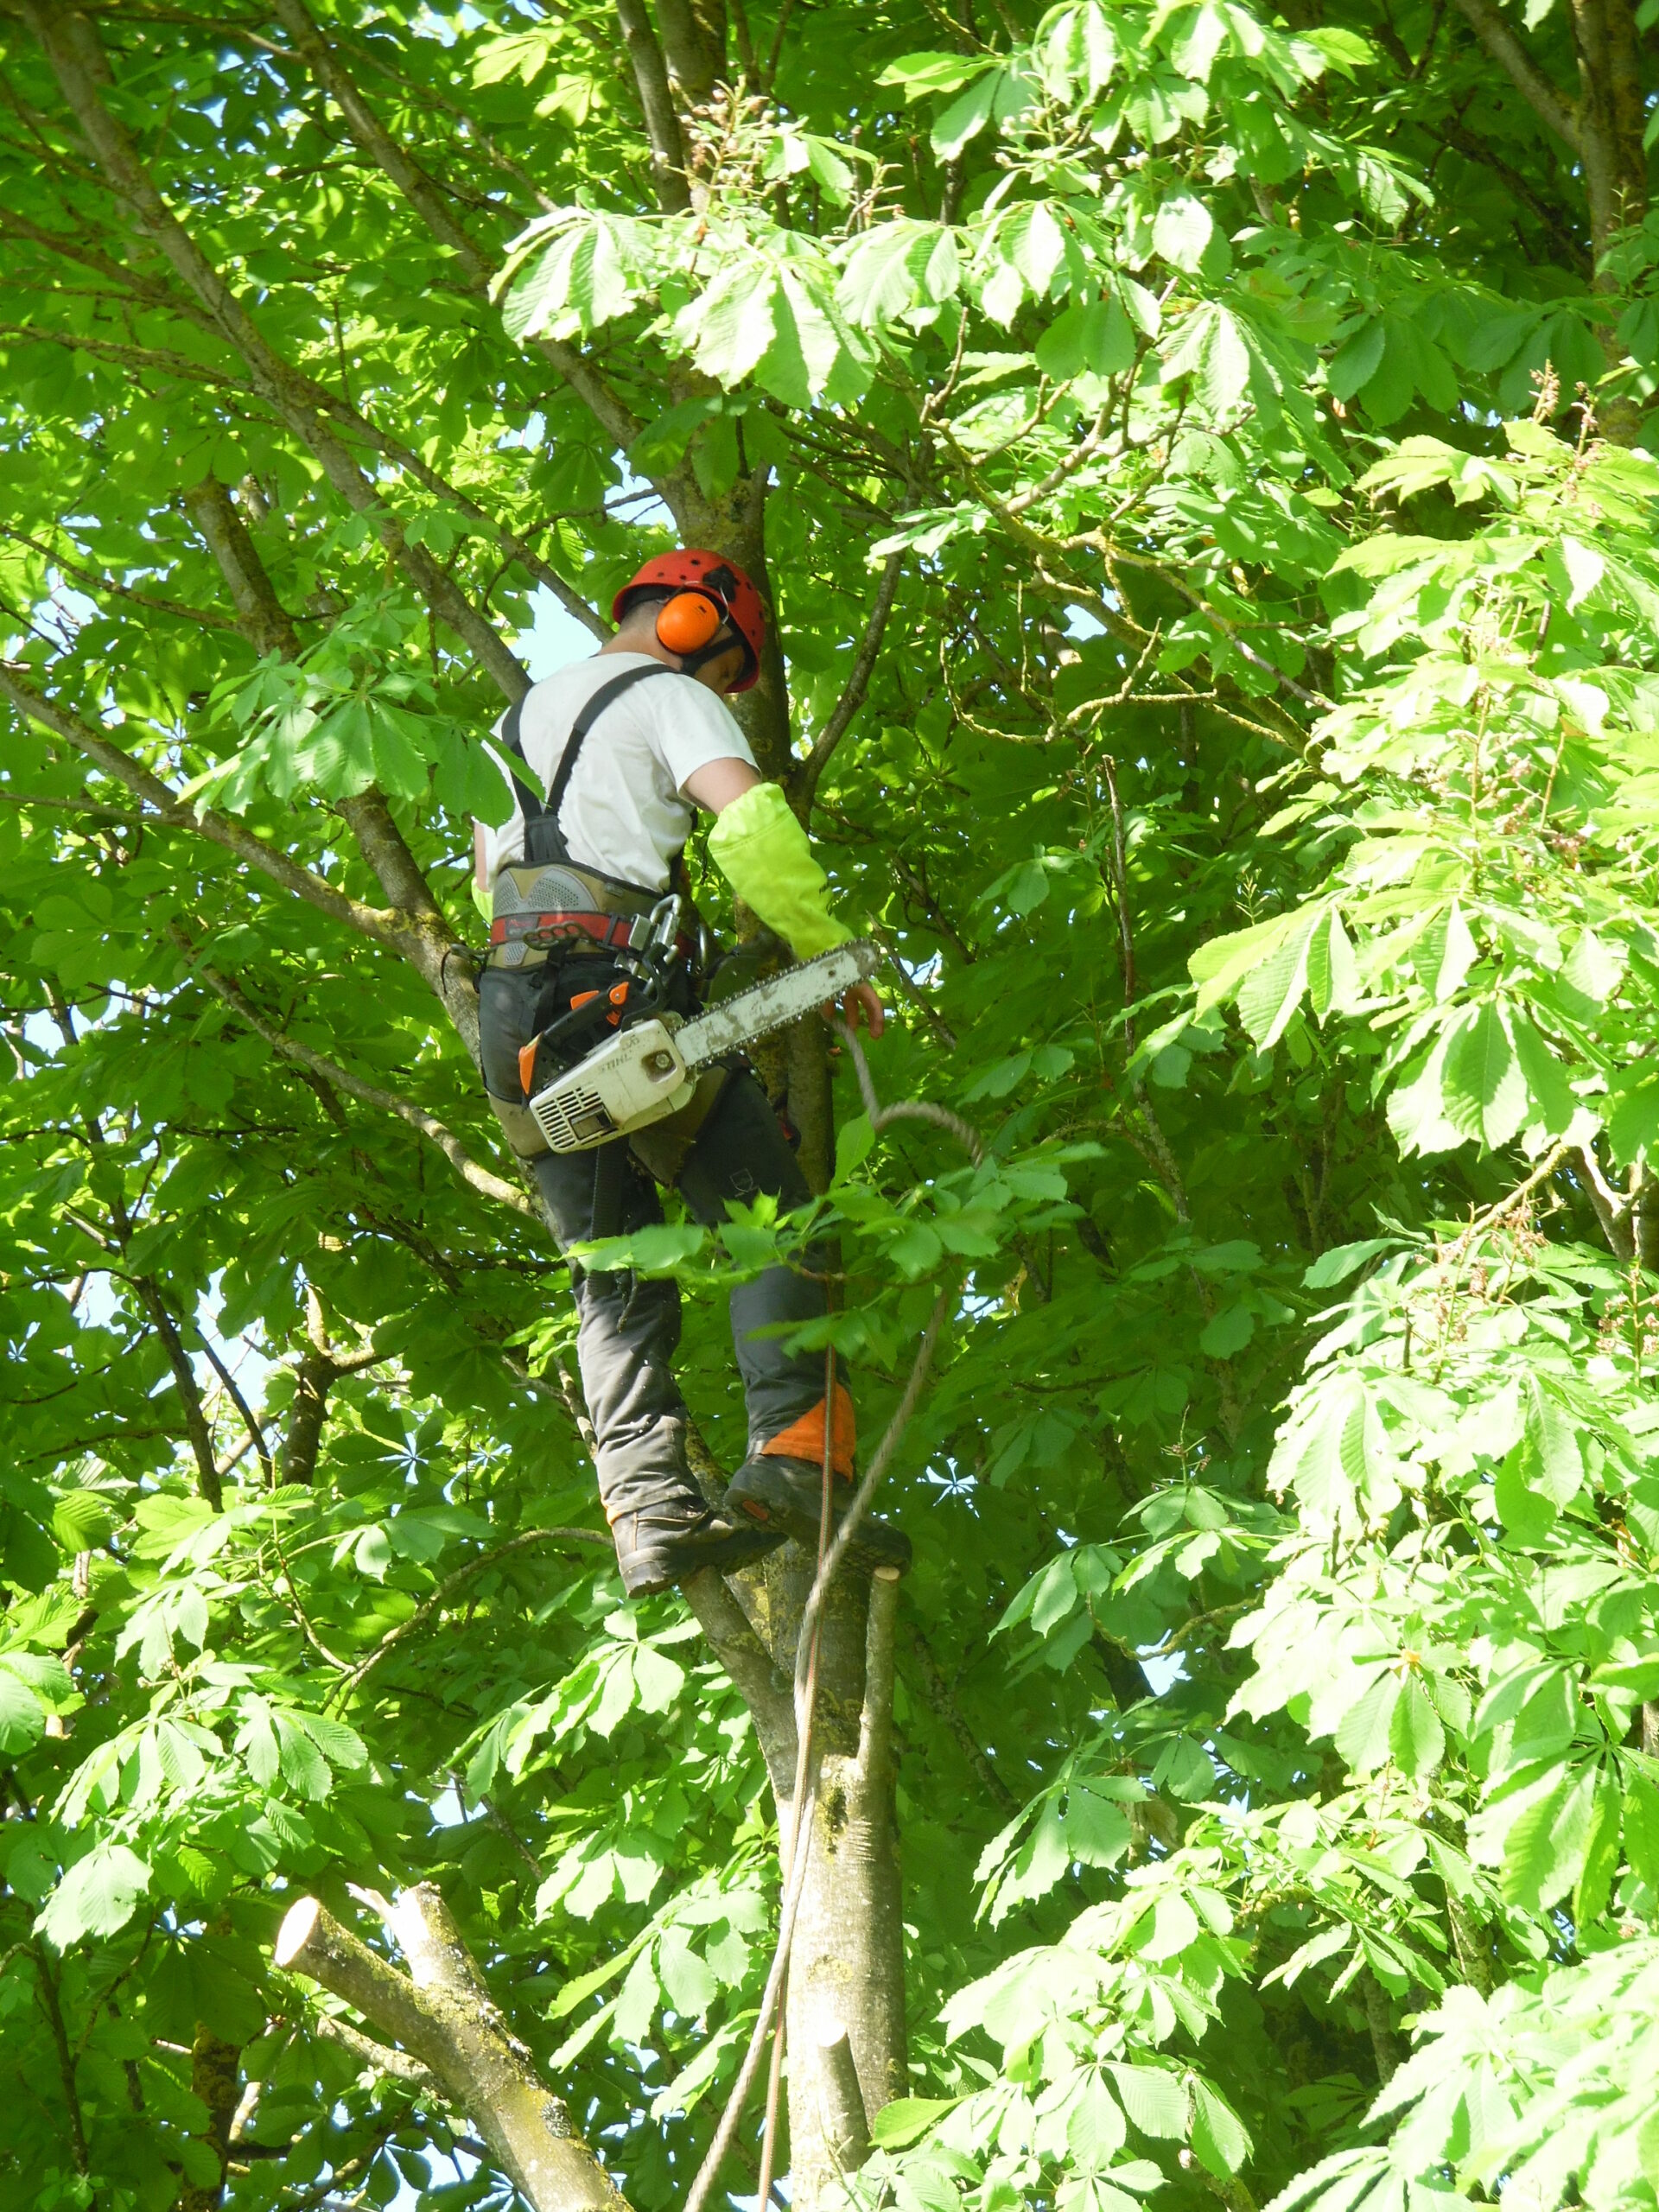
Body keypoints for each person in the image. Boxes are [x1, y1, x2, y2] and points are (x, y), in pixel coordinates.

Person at [473, 550, 910, 1599]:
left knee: (610, 1273)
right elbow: (750, 824)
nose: (720, 693)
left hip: (514, 1022)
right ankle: (800, 1459)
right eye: (726, 671)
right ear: (687, 625)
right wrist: (823, 941)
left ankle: (651, 1515)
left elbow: (494, 878)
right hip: (610, 997)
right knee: (776, 1217)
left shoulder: (510, 728)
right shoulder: (667, 693)